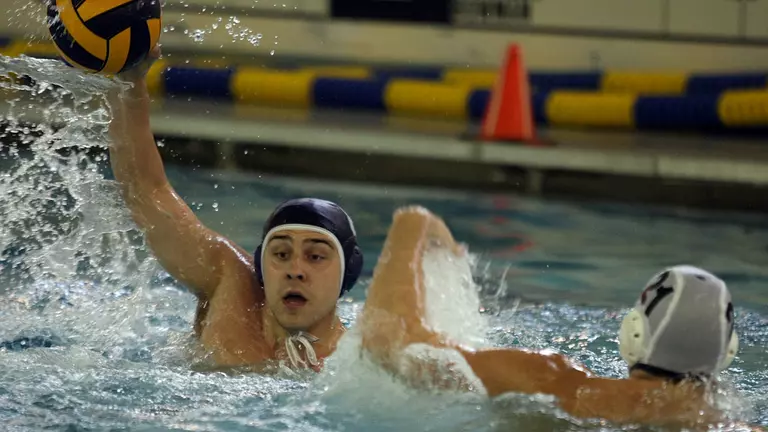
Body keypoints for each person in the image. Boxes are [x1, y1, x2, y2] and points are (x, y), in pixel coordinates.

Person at [359, 206, 747, 429]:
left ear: (634, 332)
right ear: (725, 351)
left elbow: (394, 344)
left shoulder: (560, 385)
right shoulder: (732, 424)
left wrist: (412, 223)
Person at [107, 48, 363, 372]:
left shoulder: (355, 364)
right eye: (281, 254)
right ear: (260, 264)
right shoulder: (229, 281)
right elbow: (145, 191)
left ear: (348, 274)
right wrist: (129, 83)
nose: (295, 270)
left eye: (315, 256)